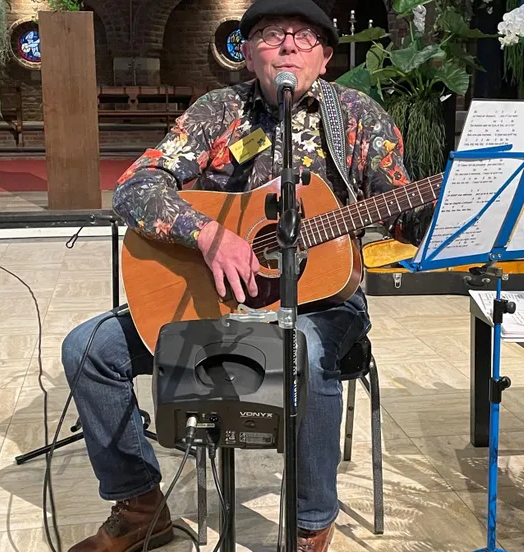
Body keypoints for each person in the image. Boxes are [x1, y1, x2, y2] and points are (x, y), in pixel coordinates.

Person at [61, 0, 434, 550]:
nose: (287, 44)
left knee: (299, 351)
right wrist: (210, 236)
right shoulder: (218, 112)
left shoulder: (358, 117)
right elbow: (135, 187)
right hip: (221, 303)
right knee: (87, 350)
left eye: (303, 37)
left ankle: (311, 524)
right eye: (270, 34)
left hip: (323, 304)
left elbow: (404, 215)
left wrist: (445, 205)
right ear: (248, 54)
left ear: (326, 57)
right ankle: (140, 503)